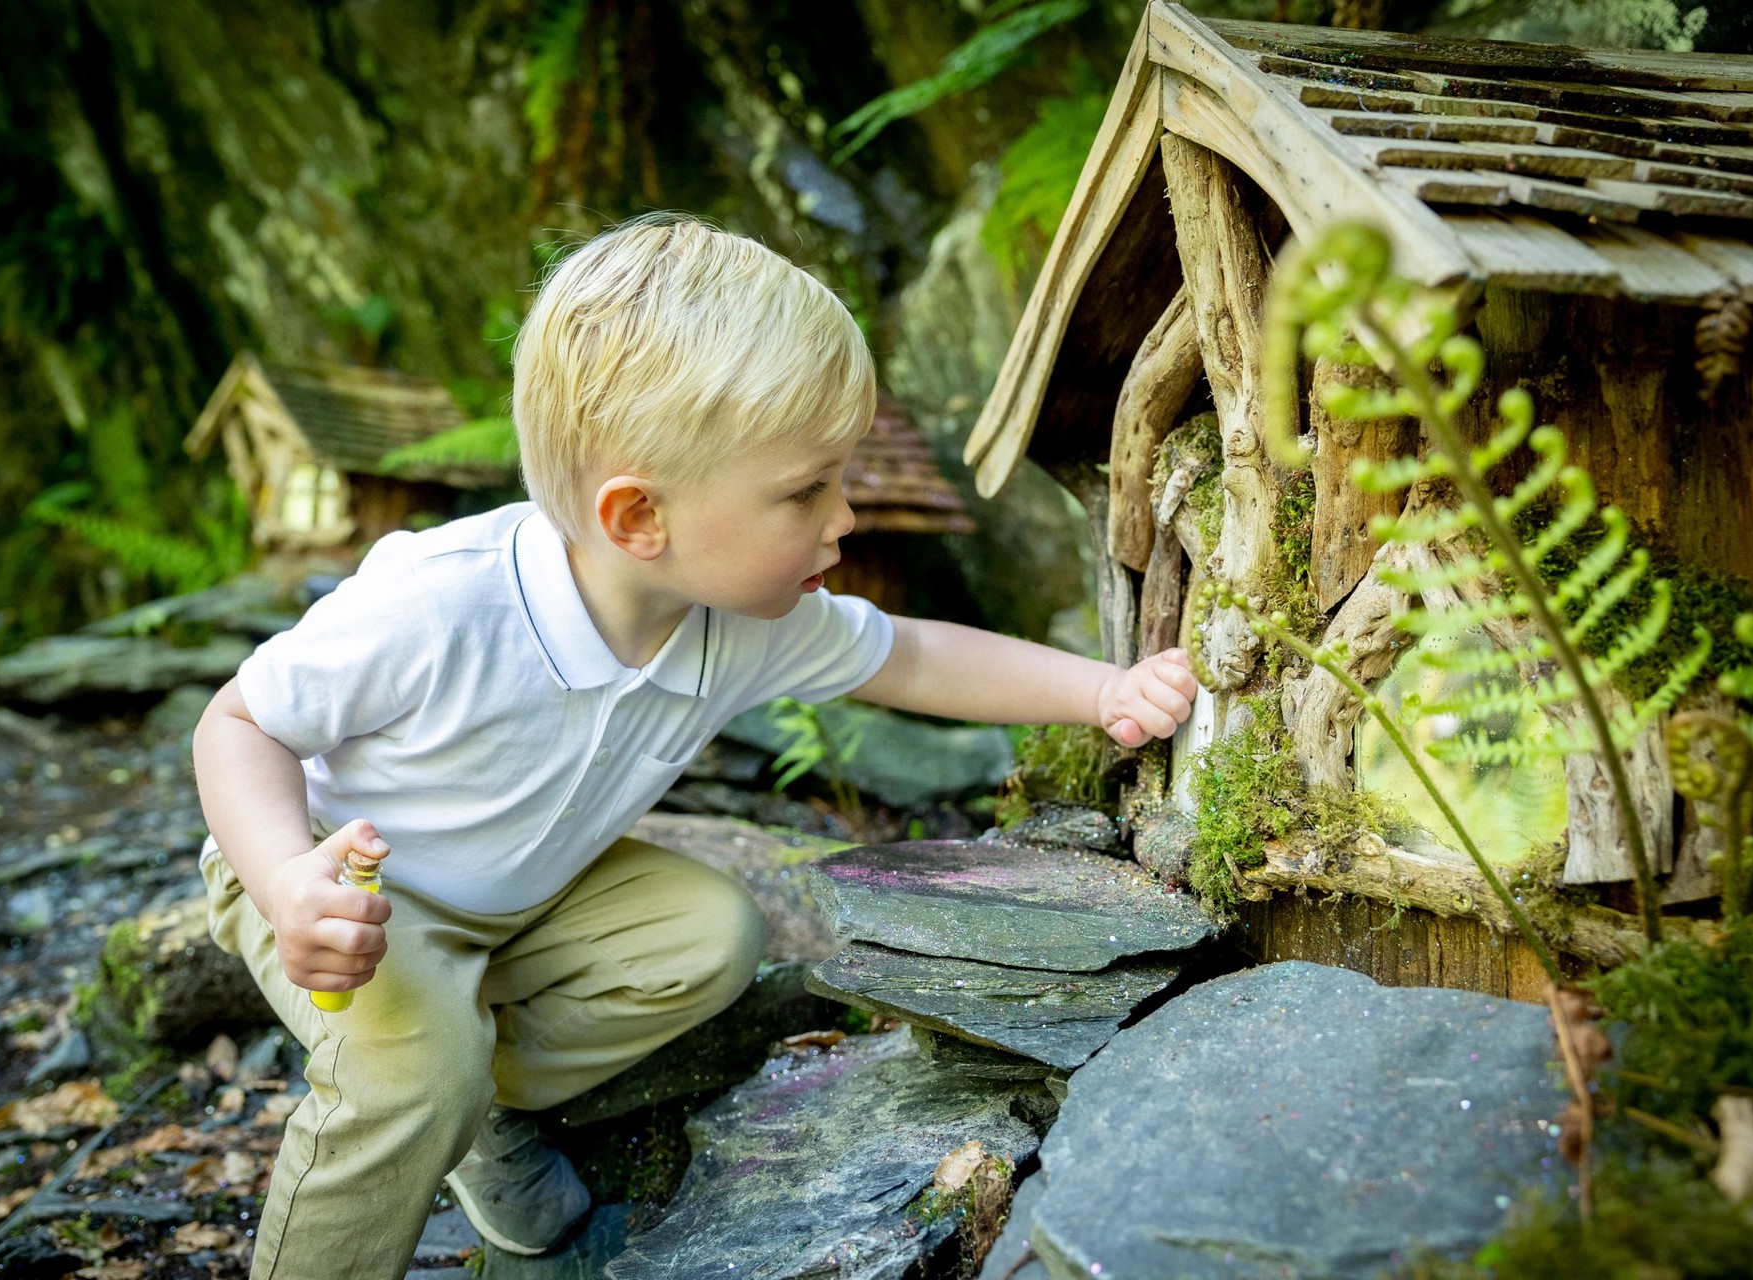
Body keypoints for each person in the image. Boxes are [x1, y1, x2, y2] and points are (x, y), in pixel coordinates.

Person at [192, 213, 1197, 1280]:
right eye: (805, 490)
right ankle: (405, 1144)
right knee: (408, 1071)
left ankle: (479, 1108)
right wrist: (286, 882)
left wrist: (1103, 687)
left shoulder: (744, 619)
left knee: (711, 935)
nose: (844, 517)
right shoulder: (438, 606)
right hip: (345, 887)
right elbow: (239, 722)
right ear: (638, 518)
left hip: (525, 898)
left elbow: (911, 656)